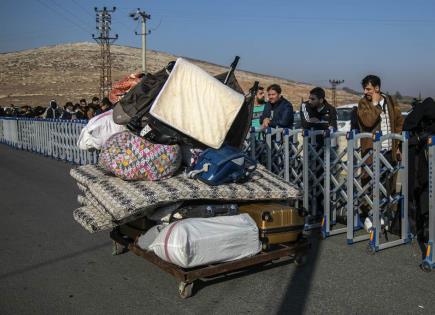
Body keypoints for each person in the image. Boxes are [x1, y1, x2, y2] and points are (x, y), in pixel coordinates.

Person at [356, 75, 404, 224]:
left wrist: (398, 146)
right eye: (364, 88)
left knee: (388, 184)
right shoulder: (363, 103)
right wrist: (375, 104)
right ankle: (368, 216)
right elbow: (368, 121)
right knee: (370, 183)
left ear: (377, 88)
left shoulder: (390, 100)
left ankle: (384, 214)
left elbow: (398, 123)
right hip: (372, 151)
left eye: (369, 88)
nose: (365, 91)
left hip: (390, 151)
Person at [402, 97, 435, 251]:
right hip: (419, 157)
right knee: (421, 192)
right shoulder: (428, 106)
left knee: (422, 192)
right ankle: (421, 231)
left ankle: (421, 230)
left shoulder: (425, 108)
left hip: (420, 156)